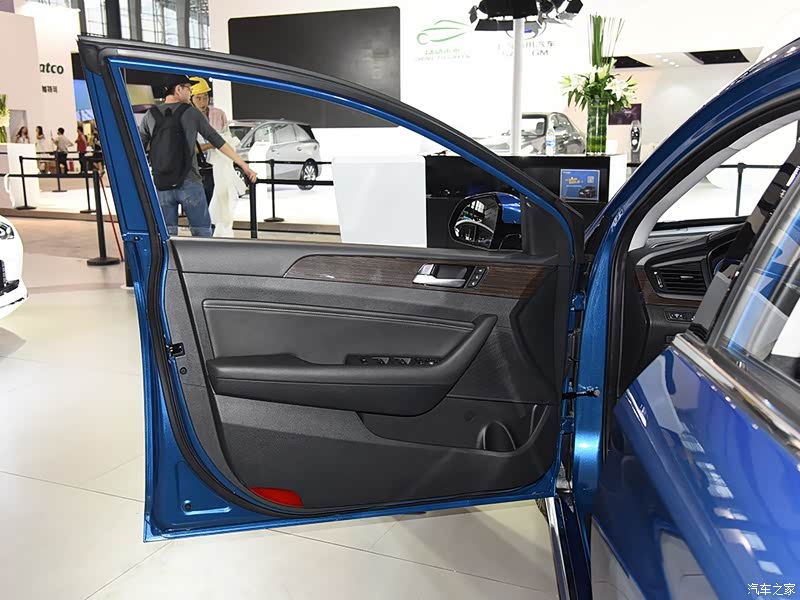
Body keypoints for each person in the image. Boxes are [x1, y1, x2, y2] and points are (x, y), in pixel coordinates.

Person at [138, 75, 257, 238]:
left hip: (161, 184)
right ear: (178, 89)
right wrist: (244, 166)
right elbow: (217, 140)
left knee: (167, 236)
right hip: (189, 182)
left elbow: (138, 148)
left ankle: (172, 256)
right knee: (202, 235)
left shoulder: (149, 115)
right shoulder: (191, 113)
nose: (190, 92)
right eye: (188, 88)